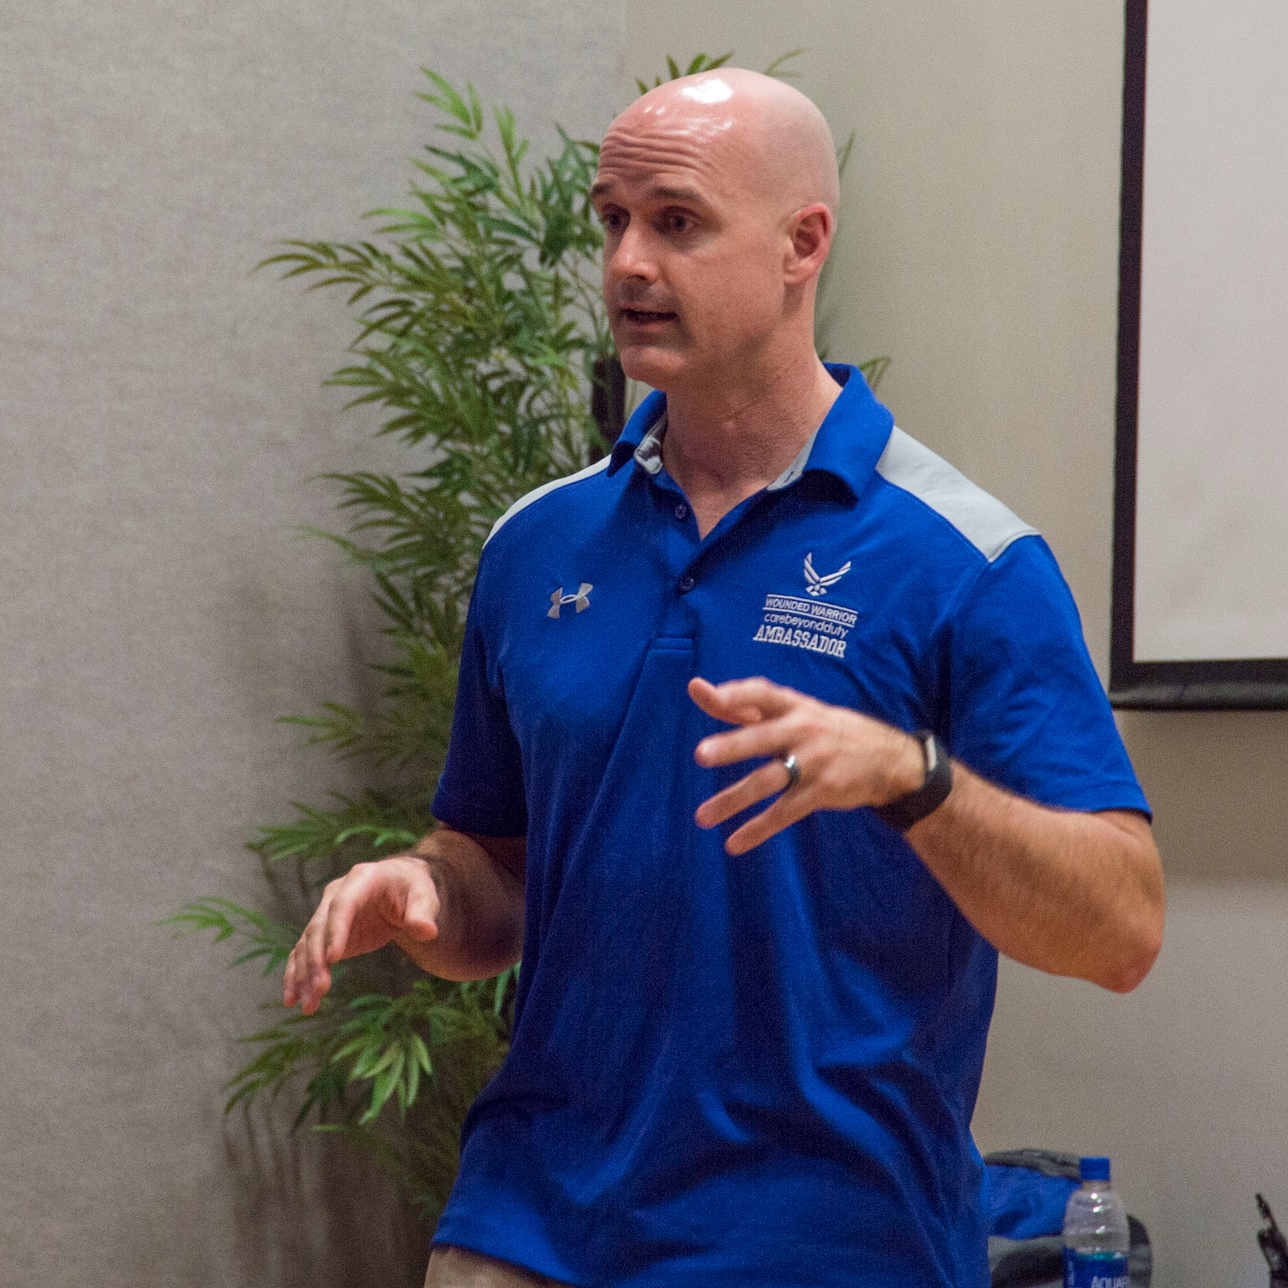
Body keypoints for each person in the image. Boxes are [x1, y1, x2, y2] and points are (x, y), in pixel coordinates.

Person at [283, 67, 1165, 1288]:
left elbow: (1120, 925)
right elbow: (496, 874)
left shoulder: (964, 562)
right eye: (611, 221)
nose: (627, 264)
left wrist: (911, 778)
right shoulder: (536, 545)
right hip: (524, 1227)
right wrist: (424, 891)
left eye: (677, 223)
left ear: (803, 243)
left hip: (822, 1244)